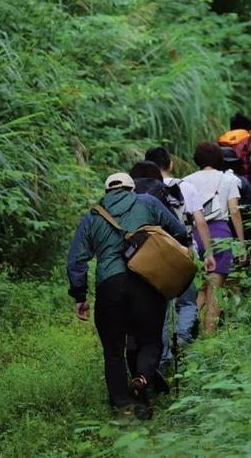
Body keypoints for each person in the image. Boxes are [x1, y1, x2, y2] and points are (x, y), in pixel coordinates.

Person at [67, 171, 188, 415]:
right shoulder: (148, 202)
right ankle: (142, 382)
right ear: (132, 189)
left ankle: (122, 406)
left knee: (113, 351)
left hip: (109, 286)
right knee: (149, 341)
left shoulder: (93, 215)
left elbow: (76, 261)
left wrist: (80, 296)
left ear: (107, 192)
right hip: (147, 282)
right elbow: (180, 232)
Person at [143, 146, 216, 368]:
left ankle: (163, 358)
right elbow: (200, 222)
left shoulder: (143, 190)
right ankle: (183, 338)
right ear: (170, 164)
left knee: (161, 308)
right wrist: (208, 253)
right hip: (184, 252)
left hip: (153, 254)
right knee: (187, 302)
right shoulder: (186, 187)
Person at [183, 142, 247, 333]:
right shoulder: (228, 180)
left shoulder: (186, 181)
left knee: (200, 288)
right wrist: (242, 244)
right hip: (220, 235)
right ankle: (209, 338)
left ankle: (185, 332)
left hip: (193, 236)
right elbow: (234, 212)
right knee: (215, 290)